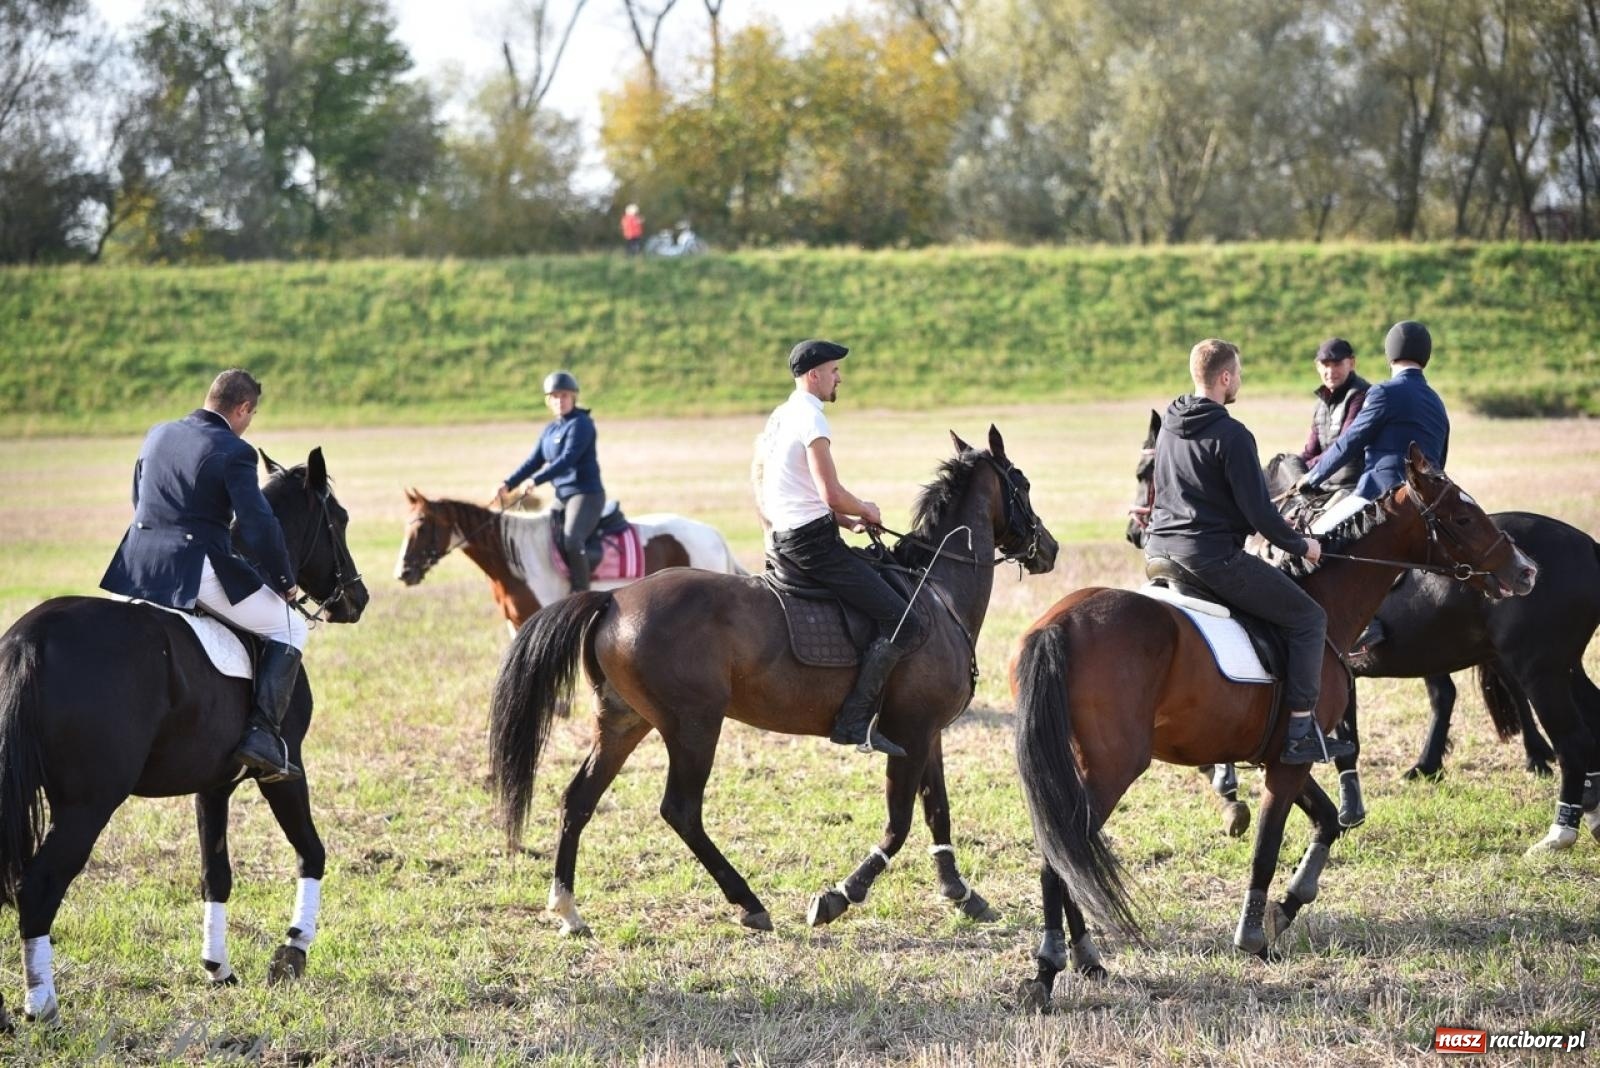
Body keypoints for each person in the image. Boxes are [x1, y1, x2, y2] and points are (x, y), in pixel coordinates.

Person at [1144, 339, 1352, 764]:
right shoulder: (1233, 434)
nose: (1239, 380)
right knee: (1309, 618)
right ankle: (1299, 731)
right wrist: (1303, 545)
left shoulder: (1169, 421)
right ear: (1224, 378)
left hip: (1159, 553)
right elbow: (1258, 512)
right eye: (1237, 373)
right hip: (1210, 560)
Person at [100, 369, 307, 782]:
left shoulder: (158, 433)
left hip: (137, 563)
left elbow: (139, 498)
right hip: (193, 567)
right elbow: (258, 524)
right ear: (243, 408)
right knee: (292, 626)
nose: (250, 422)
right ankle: (263, 735)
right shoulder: (236, 450)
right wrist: (285, 581)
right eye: (252, 413)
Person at [755, 339, 919, 757]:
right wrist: (865, 508)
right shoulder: (812, 418)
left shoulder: (782, 414)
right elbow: (829, 492)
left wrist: (846, 520)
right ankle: (854, 721)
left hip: (786, 535)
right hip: (812, 544)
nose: (838, 378)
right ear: (814, 375)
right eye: (834, 371)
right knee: (904, 621)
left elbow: (791, 486)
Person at [1297, 320, 1449, 500]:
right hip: (1427, 500)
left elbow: (1351, 441)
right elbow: (1440, 460)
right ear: (1426, 357)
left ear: (1389, 354)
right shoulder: (1437, 402)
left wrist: (1313, 476)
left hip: (1381, 494)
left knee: (1318, 528)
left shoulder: (1383, 392)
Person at [497, 371, 605, 592]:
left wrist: (535, 481)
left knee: (572, 540)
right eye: (554, 396)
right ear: (548, 400)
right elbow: (534, 460)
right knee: (543, 537)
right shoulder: (550, 429)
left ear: (573, 397)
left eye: (564, 395)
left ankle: (581, 593)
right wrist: (508, 483)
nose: (559, 401)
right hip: (562, 496)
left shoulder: (581, 424)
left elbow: (567, 459)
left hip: (585, 494)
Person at [1298, 337, 1370, 493]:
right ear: (1317, 367)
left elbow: (1344, 446)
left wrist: (1307, 469)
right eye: (1325, 365)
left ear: (1351, 363)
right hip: (1323, 485)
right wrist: (1295, 465)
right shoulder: (1321, 404)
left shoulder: (1360, 396)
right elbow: (1310, 451)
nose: (1330, 372)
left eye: (1337, 364)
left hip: (1352, 487)